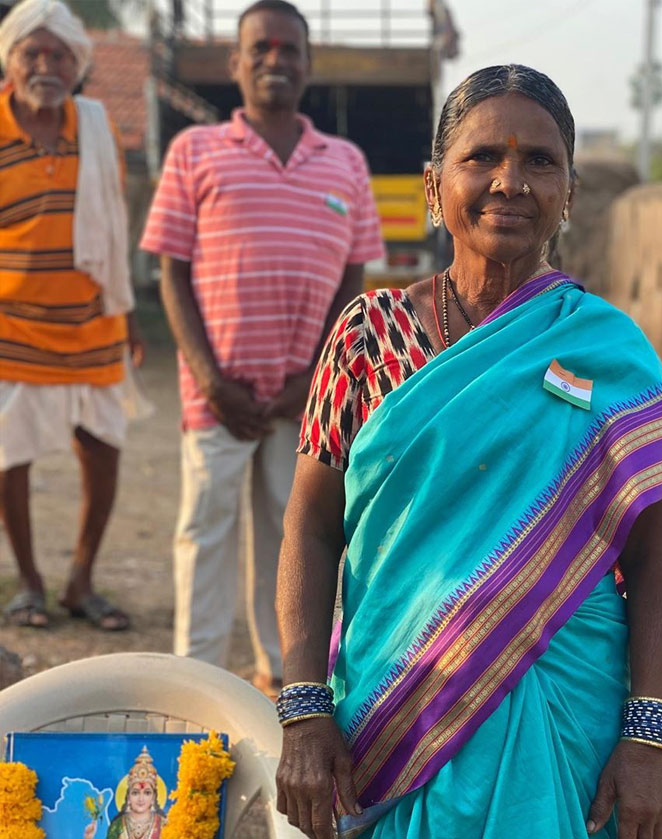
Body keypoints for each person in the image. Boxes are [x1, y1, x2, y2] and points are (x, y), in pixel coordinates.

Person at [274, 64, 662, 839]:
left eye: (539, 161)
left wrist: (649, 737)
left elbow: (656, 560)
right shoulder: (368, 335)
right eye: (482, 156)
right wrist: (304, 706)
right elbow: (312, 527)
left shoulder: (608, 351)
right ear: (434, 185)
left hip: (563, 708)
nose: (509, 182)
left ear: (569, 193)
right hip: (394, 710)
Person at [140, 0, 384, 694]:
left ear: (307, 64)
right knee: (206, 531)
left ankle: (283, 679)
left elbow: (353, 279)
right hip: (215, 394)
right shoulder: (195, 151)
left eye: (288, 48)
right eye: (261, 47)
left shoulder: (345, 162)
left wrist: (315, 378)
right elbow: (171, 273)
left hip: (306, 398)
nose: (275, 59)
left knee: (293, 531)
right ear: (235, 63)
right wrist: (211, 379)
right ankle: (195, 681)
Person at [0, 0, 144, 631]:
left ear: (76, 63)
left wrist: (128, 313)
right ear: (10, 61)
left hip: (93, 320)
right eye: (33, 53)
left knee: (103, 449)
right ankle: (28, 584)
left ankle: (82, 581)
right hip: (11, 325)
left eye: (59, 54)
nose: (46, 65)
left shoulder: (96, 125)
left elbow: (115, 223)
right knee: (9, 458)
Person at [83, 746, 167, 839]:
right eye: (135, 793)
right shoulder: (117, 826)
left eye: (147, 793)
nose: (141, 799)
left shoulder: (164, 826)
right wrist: (89, 837)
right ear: (128, 796)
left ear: (153, 797)